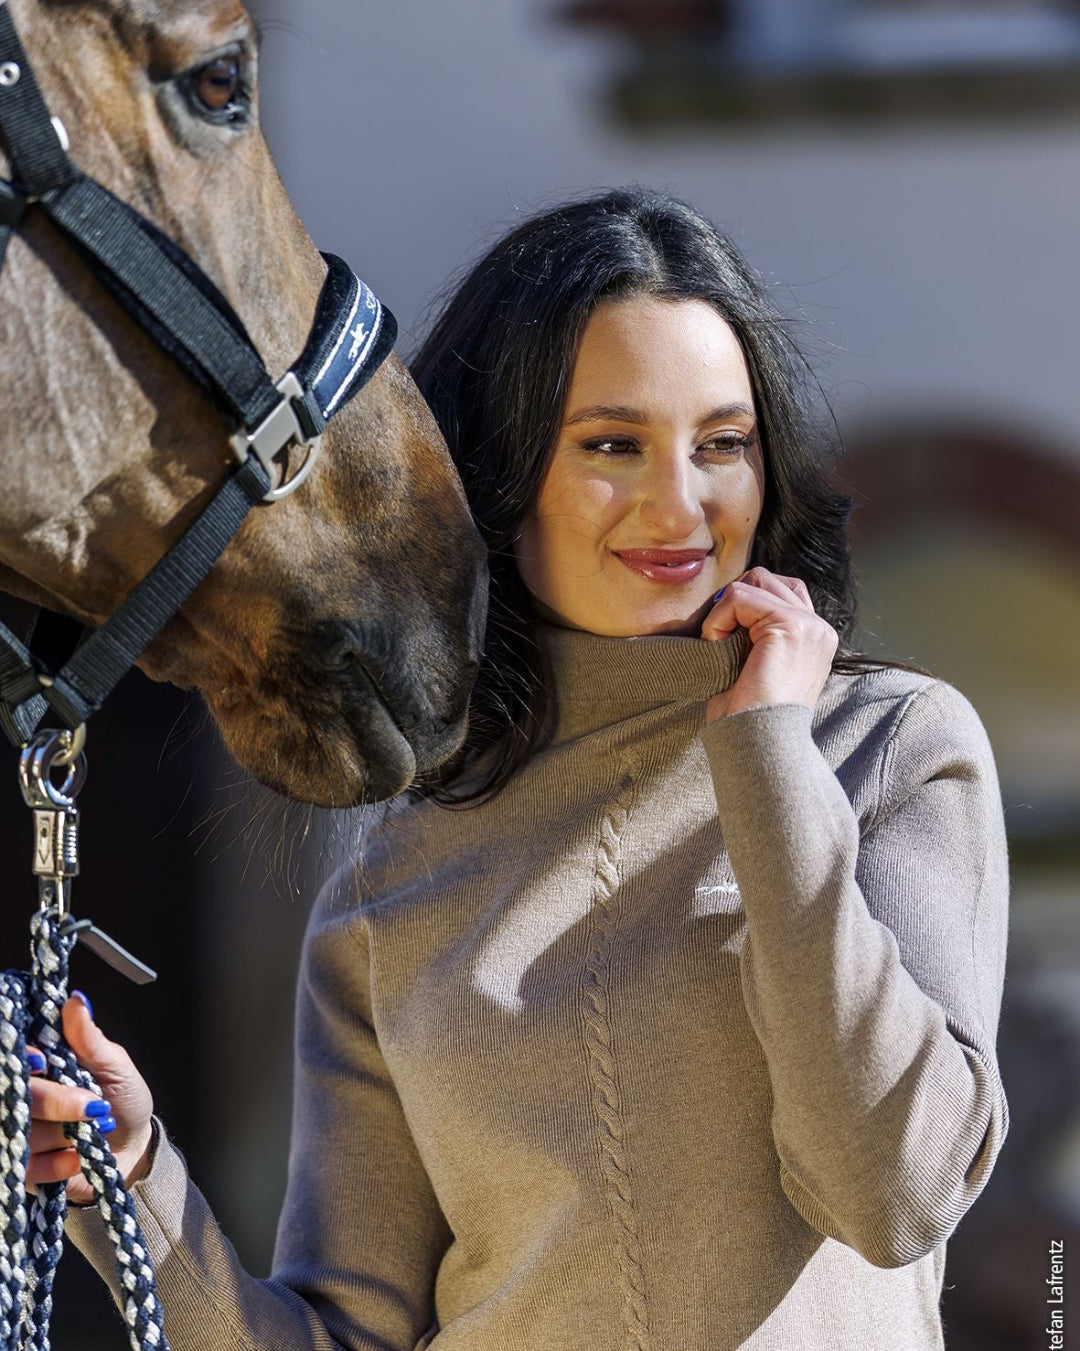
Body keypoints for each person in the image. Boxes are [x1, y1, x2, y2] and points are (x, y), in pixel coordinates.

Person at [31, 188, 1008, 1350]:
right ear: (501, 476)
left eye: (722, 444)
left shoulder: (891, 750)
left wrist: (766, 757)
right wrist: (131, 1178)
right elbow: (344, 1334)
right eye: (612, 445)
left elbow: (893, 1196)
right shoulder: (394, 882)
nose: (680, 503)